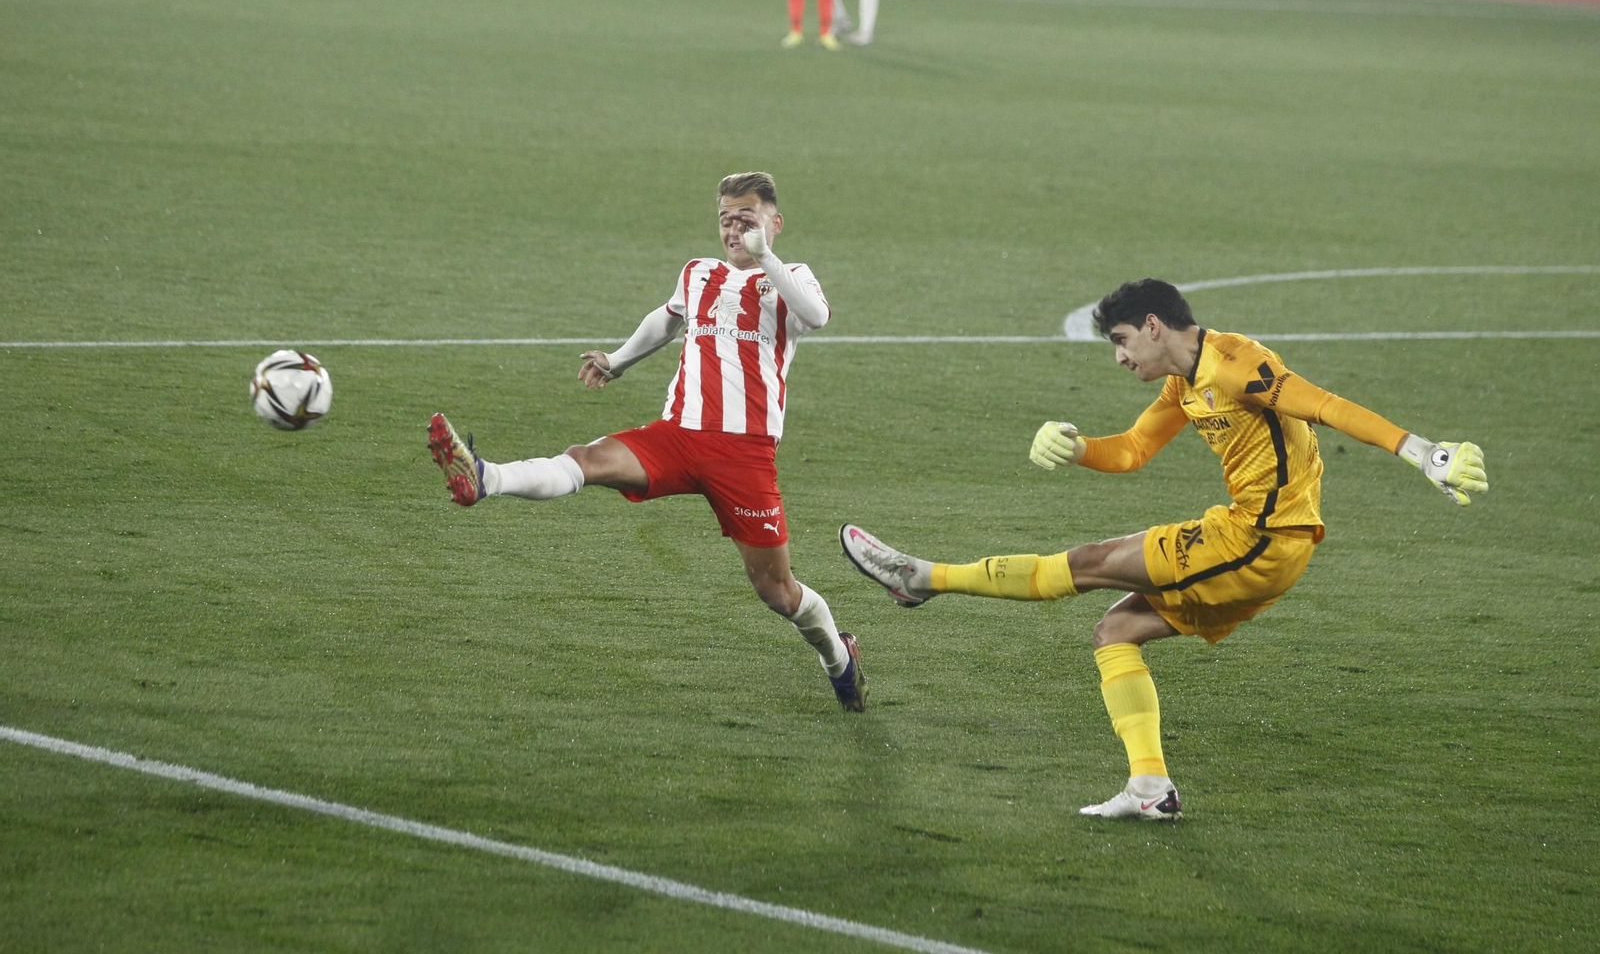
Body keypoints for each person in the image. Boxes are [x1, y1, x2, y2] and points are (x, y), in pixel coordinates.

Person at [841, 278, 1487, 818]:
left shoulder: (1237, 365)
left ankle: (920, 579)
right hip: (1258, 545)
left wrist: (1422, 452)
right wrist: (1077, 447)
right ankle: (1150, 788)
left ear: (1152, 325)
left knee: (1091, 563)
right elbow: (1131, 450)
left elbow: (1326, 405)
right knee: (1115, 630)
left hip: (1258, 539)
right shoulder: (1186, 382)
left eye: (1121, 341)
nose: (1120, 358)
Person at [430, 172, 866, 712]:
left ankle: (837, 658)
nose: (734, 231)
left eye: (747, 221)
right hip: (677, 436)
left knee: (776, 592)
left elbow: (817, 317)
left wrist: (765, 257)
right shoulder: (697, 272)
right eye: (726, 220)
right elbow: (665, 320)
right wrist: (616, 361)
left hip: (745, 455)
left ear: (774, 224)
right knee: (587, 459)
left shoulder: (790, 277)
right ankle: (485, 477)